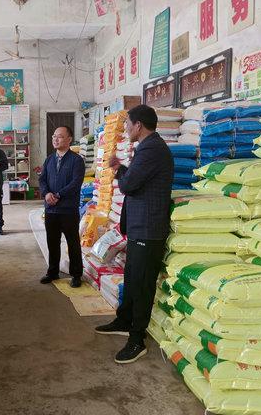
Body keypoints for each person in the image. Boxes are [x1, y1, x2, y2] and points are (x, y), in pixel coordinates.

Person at [94, 105, 173, 364]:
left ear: (139, 125)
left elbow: (128, 185)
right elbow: (136, 181)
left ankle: (137, 339)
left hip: (149, 230)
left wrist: (119, 170)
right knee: (131, 277)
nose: (126, 127)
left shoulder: (152, 150)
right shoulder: (146, 148)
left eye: (128, 123)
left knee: (142, 285)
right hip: (140, 227)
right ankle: (124, 320)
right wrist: (122, 167)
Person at [39, 126, 85, 288]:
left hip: (68, 209)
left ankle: (76, 274)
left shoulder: (76, 160)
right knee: (52, 242)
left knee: (73, 242)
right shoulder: (49, 160)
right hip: (51, 209)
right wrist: (46, 194)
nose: (55, 139)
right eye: (54, 136)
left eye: (59, 136)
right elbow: (42, 180)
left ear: (69, 139)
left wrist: (58, 195)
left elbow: (76, 183)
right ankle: (52, 272)